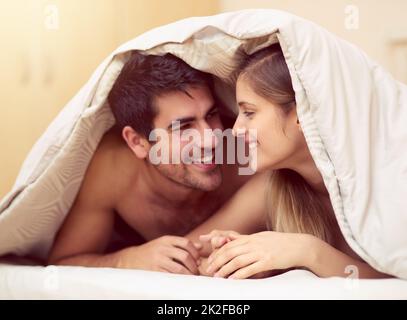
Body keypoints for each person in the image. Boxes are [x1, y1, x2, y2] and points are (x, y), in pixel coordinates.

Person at [188, 44, 390, 279]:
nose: (235, 130)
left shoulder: (385, 179)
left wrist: (306, 251)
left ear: (300, 115)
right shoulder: (274, 186)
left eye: (250, 113)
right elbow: (187, 253)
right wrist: (237, 256)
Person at [47, 52, 250, 275]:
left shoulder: (247, 156)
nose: (212, 139)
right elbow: (63, 263)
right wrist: (128, 259)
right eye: (183, 127)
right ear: (137, 142)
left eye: (211, 115)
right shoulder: (112, 169)